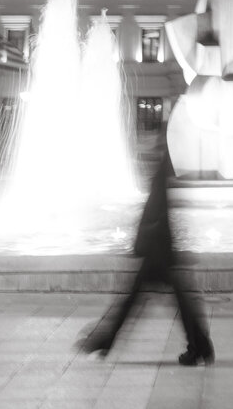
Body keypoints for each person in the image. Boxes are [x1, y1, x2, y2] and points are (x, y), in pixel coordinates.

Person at [80, 147, 214, 366]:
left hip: (158, 251)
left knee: (135, 300)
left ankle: (199, 345)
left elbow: (158, 211)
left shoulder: (161, 176)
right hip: (159, 249)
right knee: (164, 300)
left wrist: (146, 243)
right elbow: (159, 210)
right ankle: (200, 346)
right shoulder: (162, 177)